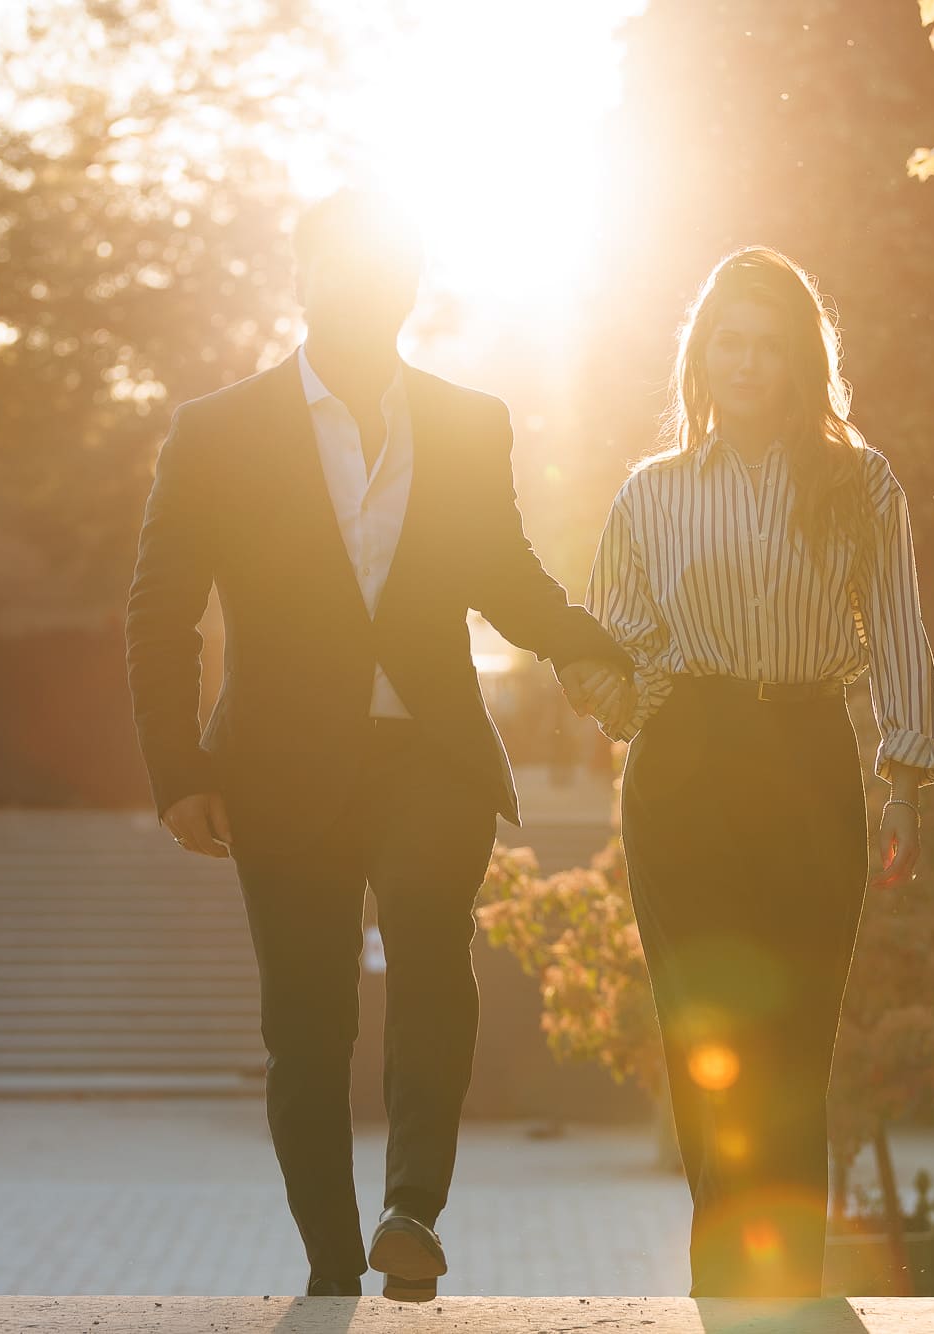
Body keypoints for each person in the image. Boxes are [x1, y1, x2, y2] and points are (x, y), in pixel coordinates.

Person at [124, 188, 631, 1302]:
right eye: (341, 268)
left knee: (428, 938)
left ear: (410, 286)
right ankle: (328, 1266)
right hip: (277, 766)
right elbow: (160, 609)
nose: (365, 289)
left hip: (426, 752)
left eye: (386, 269)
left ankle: (413, 1212)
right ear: (302, 277)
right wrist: (179, 771)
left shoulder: (465, 420)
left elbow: (503, 572)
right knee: (305, 1021)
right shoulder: (216, 430)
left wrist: (590, 650)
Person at [575, 246, 934, 1298]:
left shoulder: (858, 481)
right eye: (726, 344)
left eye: (765, 346)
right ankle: (723, 1282)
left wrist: (903, 780)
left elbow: (902, 637)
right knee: (706, 1039)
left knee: (791, 1040)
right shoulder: (646, 496)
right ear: (700, 358)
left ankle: (784, 1287)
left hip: (803, 760)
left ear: (797, 361)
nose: (745, 364)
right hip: (683, 767)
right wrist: (584, 665)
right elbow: (622, 658)